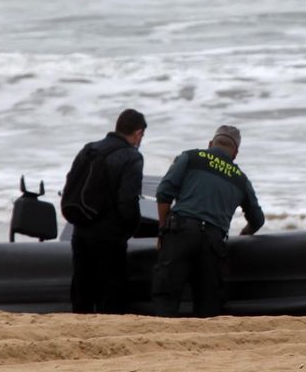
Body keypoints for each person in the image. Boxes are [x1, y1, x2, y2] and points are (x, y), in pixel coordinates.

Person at [150, 124, 264, 318]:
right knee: (208, 306)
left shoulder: (190, 158)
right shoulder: (240, 180)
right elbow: (257, 219)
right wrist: (243, 235)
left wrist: (163, 229)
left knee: (166, 298)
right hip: (213, 243)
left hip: (181, 233)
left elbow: (163, 192)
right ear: (235, 153)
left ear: (210, 144)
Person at [62, 108, 147, 314]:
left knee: (82, 286)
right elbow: (127, 200)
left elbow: (70, 183)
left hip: (81, 229)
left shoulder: (89, 149)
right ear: (137, 134)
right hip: (109, 235)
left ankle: (78, 335)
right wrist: (130, 229)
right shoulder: (131, 157)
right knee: (111, 290)